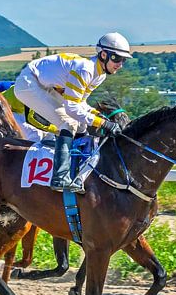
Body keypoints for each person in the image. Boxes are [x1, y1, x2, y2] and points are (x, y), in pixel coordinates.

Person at [13, 32, 131, 193]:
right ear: (104, 54)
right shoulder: (86, 69)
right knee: (68, 123)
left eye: (123, 60)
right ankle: (59, 177)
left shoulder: (100, 75)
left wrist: (97, 115)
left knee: (81, 125)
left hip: (47, 86)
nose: (120, 64)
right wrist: (102, 123)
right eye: (117, 58)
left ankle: (76, 171)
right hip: (30, 83)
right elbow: (72, 108)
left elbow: (79, 103)